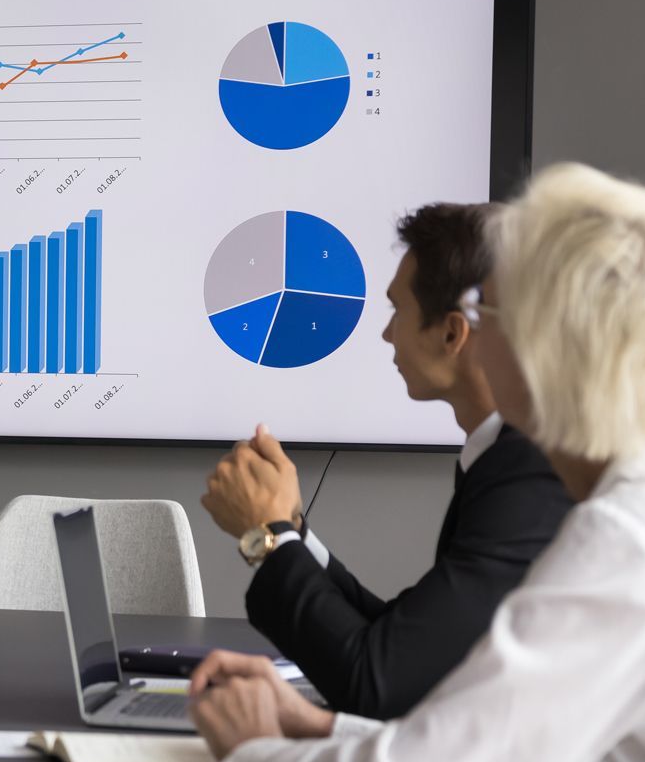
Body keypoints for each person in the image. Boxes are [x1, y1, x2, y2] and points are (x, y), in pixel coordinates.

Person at [189, 162, 645, 762]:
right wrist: (316, 727)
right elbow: (492, 743)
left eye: (489, 310)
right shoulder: (626, 508)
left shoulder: (626, 540)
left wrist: (250, 753)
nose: (472, 328)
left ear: (547, 343)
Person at [199, 203, 572, 718]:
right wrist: (291, 533)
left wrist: (265, 536)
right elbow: (401, 638)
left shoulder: (532, 473)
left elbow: (378, 680)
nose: (386, 333)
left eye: (397, 310)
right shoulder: (508, 454)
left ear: (451, 333)